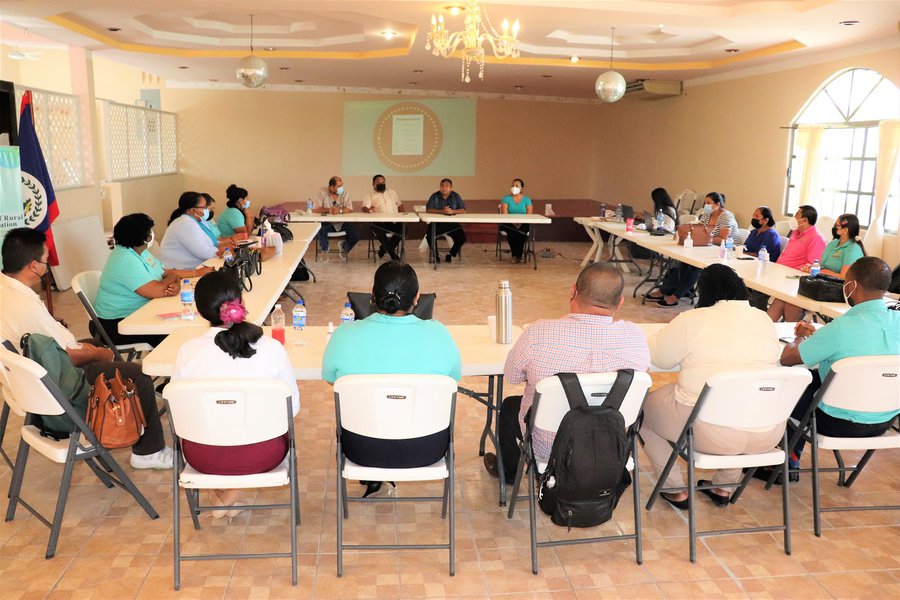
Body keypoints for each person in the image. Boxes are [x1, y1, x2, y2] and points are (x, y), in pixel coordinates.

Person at [0, 228, 173, 469]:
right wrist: (98, 354)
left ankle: (117, 420)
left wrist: (91, 350)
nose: (47, 267)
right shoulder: (27, 307)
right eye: (46, 261)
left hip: (27, 378)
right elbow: (69, 356)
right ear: (33, 266)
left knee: (96, 347)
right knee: (138, 375)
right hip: (56, 382)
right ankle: (148, 452)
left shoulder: (5, 289)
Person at [483, 262, 651, 485]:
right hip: (608, 444)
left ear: (573, 291)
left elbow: (512, 377)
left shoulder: (538, 333)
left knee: (509, 406)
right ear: (620, 302)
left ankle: (510, 473)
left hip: (548, 446)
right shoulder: (636, 338)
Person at [640, 264, 783, 508]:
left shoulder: (693, 319)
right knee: (740, 403)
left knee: (644, 411)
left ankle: (674, 488)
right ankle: (724, 486)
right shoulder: (763, 319)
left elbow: (660, 358)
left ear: (704, 292)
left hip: (711, 435)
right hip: (767, 433)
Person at [322, 261, 461, 496]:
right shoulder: (439, 334)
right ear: (417, 297)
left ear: (372, 295)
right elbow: (452, 380)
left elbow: (331, 379)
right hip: (426, 448)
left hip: (362, 449)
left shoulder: (344, 334)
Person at [171, 271, 300, 518]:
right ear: (241, 302)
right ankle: (228, 495)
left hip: (203, 456)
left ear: (199, 310)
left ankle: (225, 495)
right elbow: (291, 409)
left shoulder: (187, 352)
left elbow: (179, 414)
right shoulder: (271, 349)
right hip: (262, 454)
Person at [772, 257, 899, 482]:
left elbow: (788, 358)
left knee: (794, 382)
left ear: (852, 286)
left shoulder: (842, 327)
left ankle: (786, 461)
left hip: (834, 422)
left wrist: (800, 336)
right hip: (882, 422)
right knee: (817, 379)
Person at [94, 213, 213, 348]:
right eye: (150, 231)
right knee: (180, 334)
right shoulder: (125, 259)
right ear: (145, 237)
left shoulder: (140, 252)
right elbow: (159, 290)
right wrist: (172, 279)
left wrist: (175, 283)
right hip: (116, 325)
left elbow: (165, 273)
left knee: (186, 325)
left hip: (139, 313)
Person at [768, 213, 866, 322]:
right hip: (821, 284)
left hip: (837, 291)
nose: (834, 227)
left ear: (845, 230)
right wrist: (812, 267)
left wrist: (821, 271)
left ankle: (795, 332)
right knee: (783, 298)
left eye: (837, 225)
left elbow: (844, 277)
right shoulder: (834, 243)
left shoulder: (853, 249)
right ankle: (765, 328)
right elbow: (822, 265)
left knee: (792, 303)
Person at [648, 192, 738, 307]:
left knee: (695, 267)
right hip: (706, 247)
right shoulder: (707, 214)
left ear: (717, 204)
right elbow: (699, 229)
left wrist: (705, 239)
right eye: (705, 203)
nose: (706, 205)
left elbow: (723, 238)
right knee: (683, 262)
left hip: (723, 252)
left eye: (709, 203)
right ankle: (665, 290)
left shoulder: (726, 216)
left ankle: (676, 296)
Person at [157, 191, 229, 269]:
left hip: (197, 266)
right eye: (204, 207)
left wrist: (225, 244)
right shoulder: (185, 223)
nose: (207, 210)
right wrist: (222, 250)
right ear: (193, 210)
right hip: (178, 271)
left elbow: (209, 241)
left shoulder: (198, 221)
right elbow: (203, 252)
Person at [362, 174, 404, 260]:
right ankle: (392, 253)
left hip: (394, 222)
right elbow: (364, 207)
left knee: (404, 229)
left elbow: (400, 205)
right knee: (378, 230)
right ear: (373, 184)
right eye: (378, 183)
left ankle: (384, 248)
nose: (381, 184)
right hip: (380, 223)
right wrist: (368, 210)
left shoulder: (392, 192)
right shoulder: (370, 195)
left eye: (383, 182)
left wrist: (403, 217)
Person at [314, 176, 360, 253]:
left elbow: (350, 208)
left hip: (342, 222)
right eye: (339, 186)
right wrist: (329, 210)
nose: (341, 188)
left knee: (356, 236)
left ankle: (344, 246)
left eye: (342, 185)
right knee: (319, 229)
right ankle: (324, 250)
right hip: (327, 222)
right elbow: (315, 209)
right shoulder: (322, 192)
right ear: (331, 187)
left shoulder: (345, 193)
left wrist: (340, 211)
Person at [425, 178, 467, 263]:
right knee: (430, 235)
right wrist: (442, 211)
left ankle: (450, 254)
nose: (444, 188)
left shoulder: (456, 196)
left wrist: (452, 211)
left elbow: (463, 210)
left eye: (447, 186)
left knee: (462, 237)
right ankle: (436, 256)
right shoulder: (434, 196)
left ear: (451, 188)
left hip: (452, 224)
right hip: (437, 224)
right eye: (442, 186)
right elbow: (429, 209)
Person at [774, 205, 826, 270]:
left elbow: (813, 266)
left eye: (796, 215)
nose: (794, 217)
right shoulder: (796, 232)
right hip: (780, 268)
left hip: (793, 273)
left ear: (805, 220)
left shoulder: (816, 238)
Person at [499, 178, 533, 263]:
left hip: (523, 223)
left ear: (521, 188)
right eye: (513, 185)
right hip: (509, 223)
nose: (514, 187)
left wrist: (520, 223)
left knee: (521, 232)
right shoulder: (506, 199)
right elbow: (504, 214)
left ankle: (518, 255)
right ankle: (515, 255)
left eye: (517, 186)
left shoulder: (527, 200)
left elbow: (529, 214)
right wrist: (514, 223)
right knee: (513, 232)